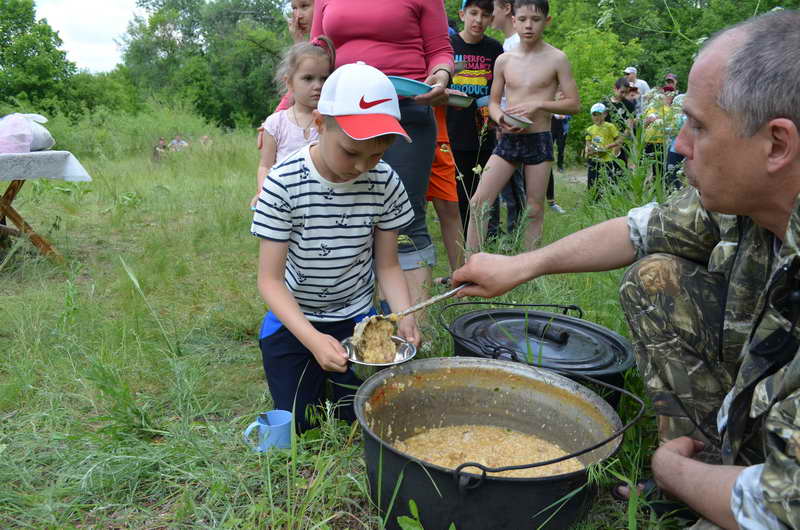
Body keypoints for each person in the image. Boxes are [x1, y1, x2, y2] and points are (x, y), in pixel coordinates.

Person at [453, 9, 800, 528]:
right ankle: (708, 461)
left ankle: (689, 474)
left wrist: (668, 470)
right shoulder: (739, 199)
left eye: (699, 126)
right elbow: (640, 229)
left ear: (776, 144)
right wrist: (521, 266)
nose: (680, 144)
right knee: (655, 276)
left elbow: (785, 504)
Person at [251, 63, 421, 433]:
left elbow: (388, 265)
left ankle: (340, 382)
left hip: (357, 319)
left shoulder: (385, 181)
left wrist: (404, 313)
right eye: (350, 152)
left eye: (377, 154)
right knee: (301, 423)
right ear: (320, 123)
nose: (361, 167)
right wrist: (313, 339)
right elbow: (269, 281)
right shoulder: (283, 183)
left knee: (362, 419)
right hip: (295, 320)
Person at [311, 0, 453, 311]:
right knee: (339, 215)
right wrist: (286, 110)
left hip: (406, 108)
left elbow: (440, 50)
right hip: (341, 113)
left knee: (403, 218)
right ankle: (348, 318)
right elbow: (315, 53)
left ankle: (410, 326)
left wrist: (441, 77)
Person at [465, 0, 580, 253]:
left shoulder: (557, 58)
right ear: (513, 20)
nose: (529, 25)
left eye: (536, 20)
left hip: (539, 138)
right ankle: (470, 264)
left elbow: (574, 104)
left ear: (546, 21)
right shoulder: (504, 60)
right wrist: (501, 118)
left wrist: (539, 105)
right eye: (524, 19)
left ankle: (528, 267)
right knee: (479, 202)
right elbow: (494, 103)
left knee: (534, 207)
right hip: (508, 138)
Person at [250, 37, 335, 208]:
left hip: (322, 206)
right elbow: (265, 166)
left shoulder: (333, 122)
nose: (318, 85)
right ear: (289, 83)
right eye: (308, 78)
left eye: (324, 78)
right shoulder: (275, 124)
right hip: (284, 203)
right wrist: (263, 193)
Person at [448, 0, 505, 241]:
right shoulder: (448, 46)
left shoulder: (495, 49)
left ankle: (490, 236)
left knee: (487, 188)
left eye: (485, 15)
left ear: (491, 19)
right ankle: (465, 236)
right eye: (473, 13)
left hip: (486, 130)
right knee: (460, 189)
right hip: (453, 129)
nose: (478, 20)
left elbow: (501, 89)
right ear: (462, 14)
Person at [427, 103, 464, 286]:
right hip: (401, 130)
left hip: (438, 135)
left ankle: (460, 279)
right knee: (409, 212)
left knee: (450, 208)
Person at [584, 102, 622, 198]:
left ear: (605, 114)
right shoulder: (590, 129)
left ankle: (609, 199)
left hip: (607, 159)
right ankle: (593, 200)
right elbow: (588, 142)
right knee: (592, 181)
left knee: (608, 180)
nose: (596, 117)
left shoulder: (610, 127)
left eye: (599, 114)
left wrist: (609, 146)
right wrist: (589, 149)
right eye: (594, 114)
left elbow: (619, 139)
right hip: (594, 159)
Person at [605, 77, 636, 170]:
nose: (624, 95)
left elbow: (629, 126)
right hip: (606, 140)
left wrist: (619, 143)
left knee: (620, 167)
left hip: (622, 141)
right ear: (615, 88)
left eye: (626, 93)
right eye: (622, 92)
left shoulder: (629, 105)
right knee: (606, 167)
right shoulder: (605, 104)